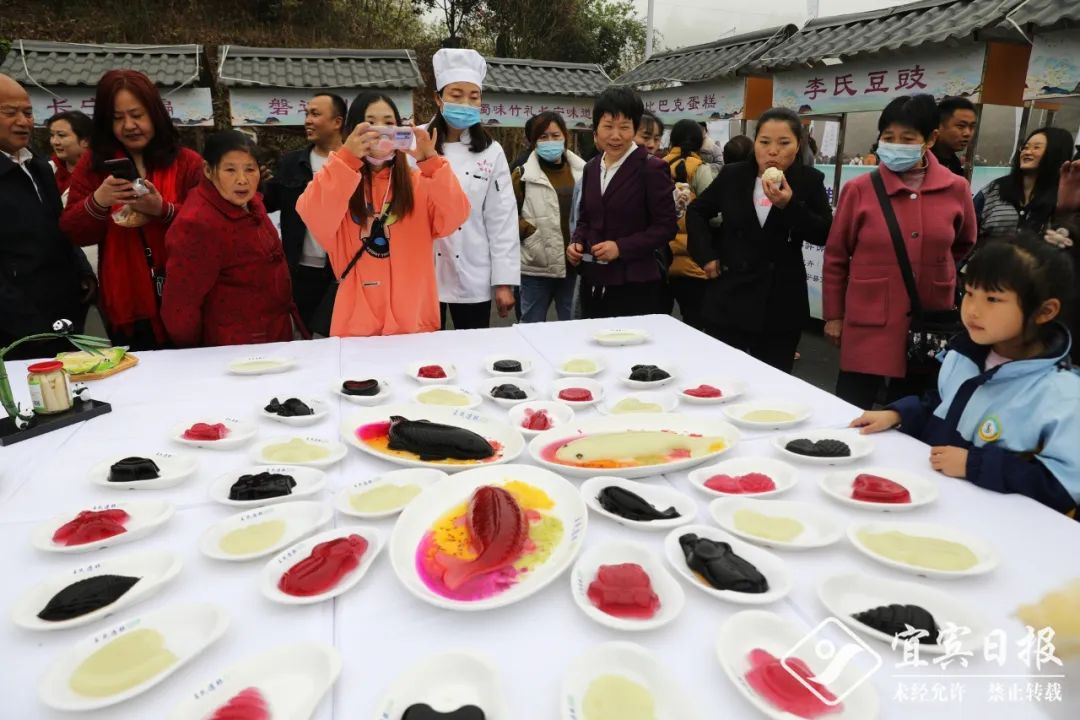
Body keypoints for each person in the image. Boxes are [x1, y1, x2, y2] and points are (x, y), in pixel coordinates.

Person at [852, 235, 1080, 517]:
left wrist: (975, 465)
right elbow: (943, 406)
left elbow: (1063, 487)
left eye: (993, 299)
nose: (972, 310)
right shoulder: (964, 355)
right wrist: (900, 415)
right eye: (969, 293)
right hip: (934, 502)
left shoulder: (1062, 394)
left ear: (1044, 311)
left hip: (998, 526)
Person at [823, 94, 977, 409]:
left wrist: (936, 270)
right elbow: (837, 257)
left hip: (928, 319)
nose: (896, 145)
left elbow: (963, 242)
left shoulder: (955, 188)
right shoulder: (860, 189)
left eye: (907, 138)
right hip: (868, 317)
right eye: (888, 137)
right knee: (852, 408)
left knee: (913, 410)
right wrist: (834, 316)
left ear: (930, 139)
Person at [295, 92, 470, 337]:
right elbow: (313, 214)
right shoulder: (339, 181)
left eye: (389, 123)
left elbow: (455, 216)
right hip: (357, 327)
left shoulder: (419, 182)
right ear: (353, 131)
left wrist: (430, 162)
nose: (380, 131)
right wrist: (346, 158)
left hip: (413, 323)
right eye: (370, 123)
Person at [61, 69, 203, 350]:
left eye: (137, 115)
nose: (129, 125)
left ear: (155, 113)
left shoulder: (187, 162)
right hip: (127, 305)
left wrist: (163, 210)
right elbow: (73, 231)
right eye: (117, 118)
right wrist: (98, 200)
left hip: (186, 296)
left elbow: (210, 226)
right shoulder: (94, 165)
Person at [686, 107, 832, 372]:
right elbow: (697, 211)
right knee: (722, 376)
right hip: (730, 297)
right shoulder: (733, 175)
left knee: (772, 383)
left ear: (798, 145)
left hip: (780, 303)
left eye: (784, 143)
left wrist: (790, 206)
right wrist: (706, 255)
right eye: (764, 142)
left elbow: (823, 234)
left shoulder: (808, 180)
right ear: (755, 143)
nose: (772, 151)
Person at [160, 131, 295, 347]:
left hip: (273, 335)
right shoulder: (198, 223)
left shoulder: (252, 203)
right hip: (234, 347)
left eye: (250, 169)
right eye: (230, 170)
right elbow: (180, 307)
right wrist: (195, 355)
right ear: (208, 170)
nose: (242, 180)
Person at [0, 74, 95, 359]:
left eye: (28, 113)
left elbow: (60, 225)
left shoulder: (39, 166)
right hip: (19, 327)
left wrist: (83, 269)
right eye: (10, 113)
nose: (23, 121)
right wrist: (29, 324)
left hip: (64, 310)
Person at [567, 86, 677, 319]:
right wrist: (577, 242)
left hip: (635, 284)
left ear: (635, 128)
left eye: (624, 127)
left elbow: (666, 227)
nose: (615, 136)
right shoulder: (591, 167)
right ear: (596, 129)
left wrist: (620, 248)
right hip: (593, 281)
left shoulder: (652, 169)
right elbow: (586, 218)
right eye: (608, 126)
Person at [429, 48, 519, 330]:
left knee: (472, 353)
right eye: (456, 95)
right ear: (438, 98)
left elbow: (501, 219)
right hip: (423, 272)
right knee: (424, 356)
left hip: (472, 271)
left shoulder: (492, 151)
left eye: (474, 96)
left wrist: (503, 282)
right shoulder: (417, 143)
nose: (466, 103)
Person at [262, 93, 347, 334]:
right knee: (305, 338)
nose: (308, 120)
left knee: (343, 341)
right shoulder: (291, 164)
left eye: (316, 114)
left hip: (343, 274)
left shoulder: (354, 164)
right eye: (306, 114)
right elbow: (266, 203)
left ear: (337, 122)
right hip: (300, 273)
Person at [512, 111, 585, 322]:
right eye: (543, 137)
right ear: (533, 141)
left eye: (555, 135)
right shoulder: (522, 174)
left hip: (573, 265)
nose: (550, 141)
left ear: (565, 137)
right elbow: (507, 215)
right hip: (536, 267)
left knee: (572, 327)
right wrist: (531, 234)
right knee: (532, 327)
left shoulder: (584, 171)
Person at [974, 127, 1074, 244]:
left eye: (1036, 147)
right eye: (1025, 147)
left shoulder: (1064, 198)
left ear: (1056, 153)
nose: (1027, 152)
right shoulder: (994, 189)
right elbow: (966, 229)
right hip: (985, 260)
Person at [663, 119, 717, 330]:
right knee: (694, 324)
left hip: (663, 257)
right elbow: (715, 214)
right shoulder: (701, 170)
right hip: (694, 261)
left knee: (659, 321)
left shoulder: (659, 164)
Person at [46, 110, 92, 202]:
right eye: (52, 135)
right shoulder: (46, 169)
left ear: (86, 141)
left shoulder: (101, 174)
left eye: (61, 135)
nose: (54, 142)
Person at [932, 96, 977, 177]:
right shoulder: (922, 164)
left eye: (972, 127)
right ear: (939, 126)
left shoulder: (954, 163)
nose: (968, 133)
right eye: (961, 126)